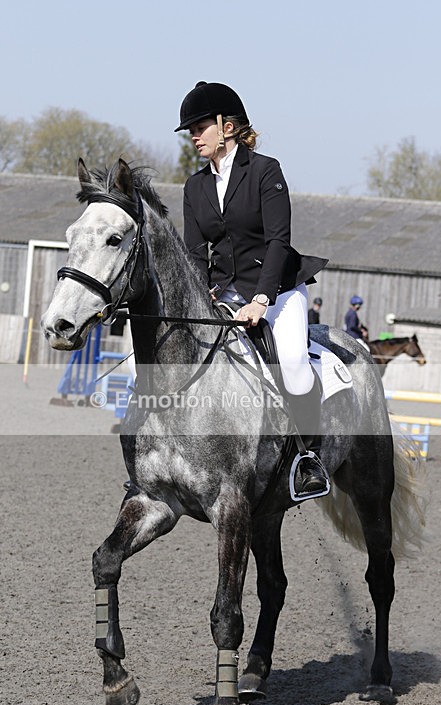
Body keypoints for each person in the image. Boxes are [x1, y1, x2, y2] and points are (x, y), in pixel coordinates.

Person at [175, 80, 330, 499]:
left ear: (227, 126)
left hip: (276, 289)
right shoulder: (194, 186)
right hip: (225, 295)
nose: (193, 135)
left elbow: (279, 240)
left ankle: (308, 457)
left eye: (200, 126)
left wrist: (262, 299)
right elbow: (194, 251)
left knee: (294, 367)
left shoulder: (265, 170)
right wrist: (201, 291)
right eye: (189, 128)